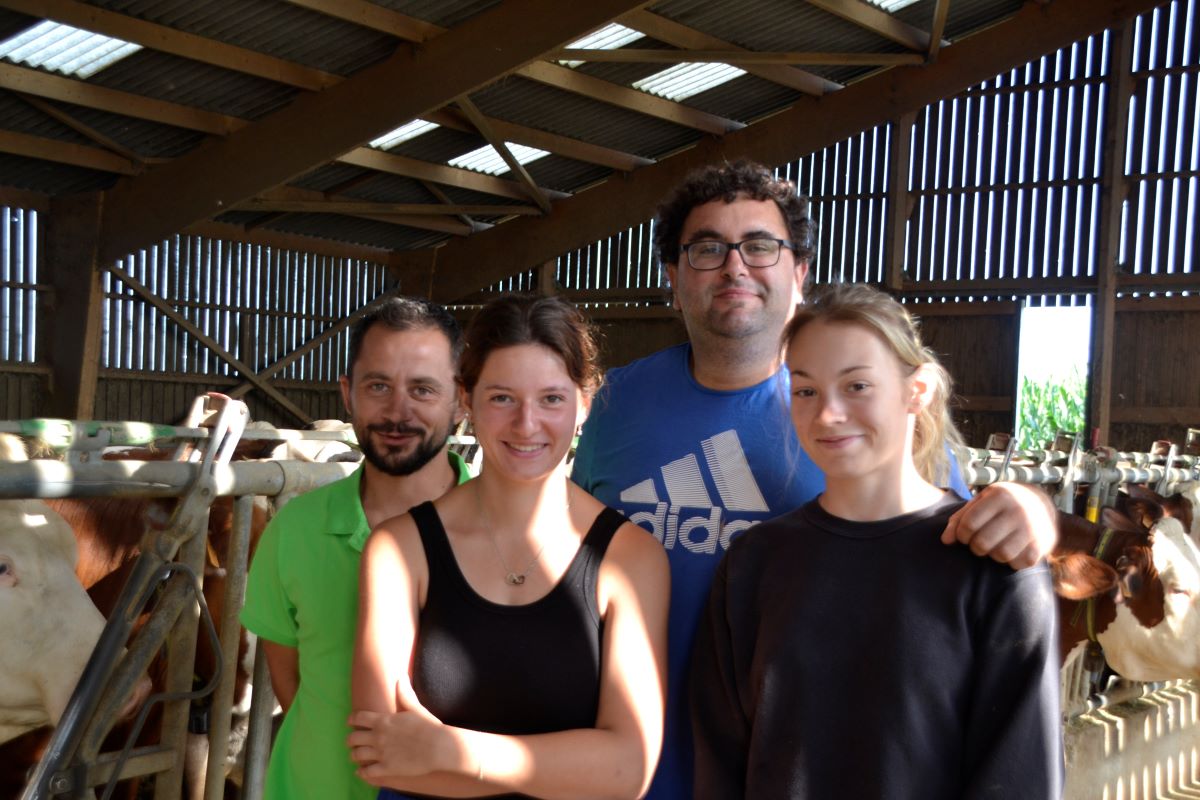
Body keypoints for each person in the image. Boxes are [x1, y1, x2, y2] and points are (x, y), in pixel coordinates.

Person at [570, 160, 1060, 798]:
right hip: (634, 769)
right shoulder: (615, 406)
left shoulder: (858, 423)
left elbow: (955, 537)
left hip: (802, 764)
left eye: (760, 245)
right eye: (707, 248)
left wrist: (1032, 507)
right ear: (674, 276)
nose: (735, 266)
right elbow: (568, 554)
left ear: (798, 273)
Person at [690, 282, 1062, 798]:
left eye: (857, 385)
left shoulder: (992, 562)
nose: (827, 414)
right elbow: (721, 764)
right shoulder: (754, 562)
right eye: (805, 390)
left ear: (918, 390)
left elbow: (1021, 776)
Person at [347, 294, 669, 799]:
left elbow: (627, 771)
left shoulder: (630, 559)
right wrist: (569, 766)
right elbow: (380, 756)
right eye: (501, 397)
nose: (526, 424)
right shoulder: (398, 550)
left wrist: (450, 752)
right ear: (466, 400)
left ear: (584, 404)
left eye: (552, 399)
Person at [240, 297, 473, 800]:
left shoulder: (504, 532)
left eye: (423, 389)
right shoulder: (294, 529)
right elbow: (294, 687)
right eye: (378, 386)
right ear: (348, 394)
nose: (398, 411)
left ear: (461, 401)